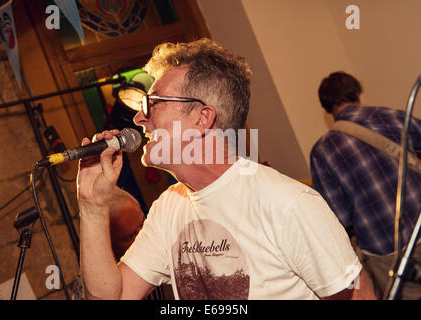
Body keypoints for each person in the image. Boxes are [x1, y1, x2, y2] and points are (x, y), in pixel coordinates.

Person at [77, 39, 376, 300]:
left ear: (202, 118)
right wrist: (91, 206)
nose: (140, 118)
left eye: (153, 103)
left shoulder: (288, 203)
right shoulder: (169, 208)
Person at [310, 71, 421, 299]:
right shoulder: (392, 116)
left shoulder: (322, 151)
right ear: (357, 94)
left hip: (388, 250)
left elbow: (338, 218)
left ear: (326, 108)